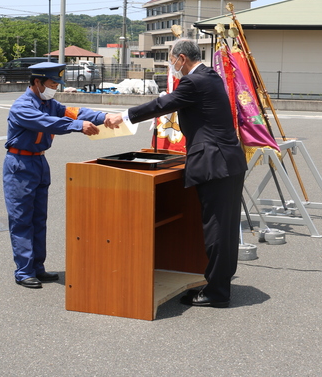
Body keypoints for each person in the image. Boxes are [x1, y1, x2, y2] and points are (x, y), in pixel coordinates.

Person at [104, 39, 247, 308]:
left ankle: (217, 293)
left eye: (172, 60)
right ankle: (217, 284)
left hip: (215, 163)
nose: (172, 66)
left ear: (182, 58)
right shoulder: (210, 76)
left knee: (217, 229)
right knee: (224, 229)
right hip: (228, 163)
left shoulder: (194, 81)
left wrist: (123, 116)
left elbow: (162, 104)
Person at [3, 62, 116, 289]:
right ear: (37, 82)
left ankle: (37, 267)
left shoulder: (49, 103)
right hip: (20, 164)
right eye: (52, 83)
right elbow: (48, 123)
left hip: (39, 161)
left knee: (39, 218)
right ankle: (24, 271)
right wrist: (78, 126)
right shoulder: (22, 106)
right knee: (22, 218)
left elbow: (76, 112)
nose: (55, 87)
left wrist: (103, 116)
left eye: (56, 84)